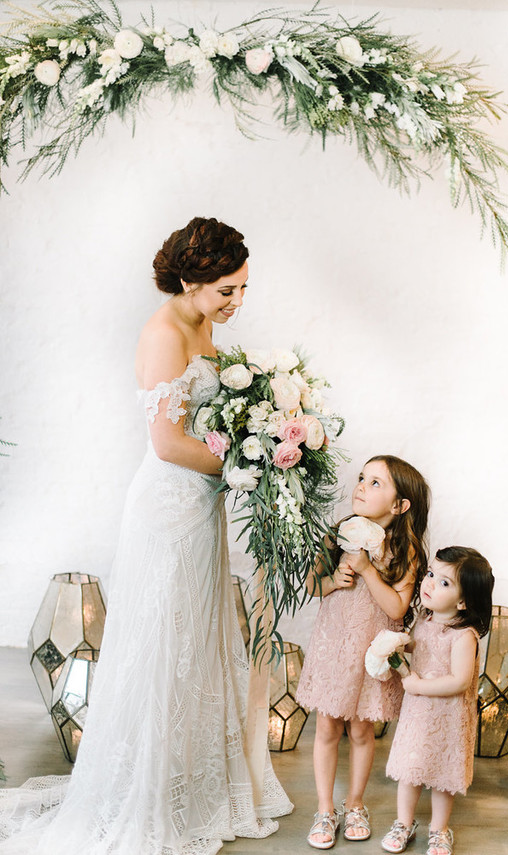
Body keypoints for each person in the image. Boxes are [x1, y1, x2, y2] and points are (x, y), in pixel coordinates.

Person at [0, 217, 292, 855]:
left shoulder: (202, 323)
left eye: (243, 288)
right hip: (167, 511)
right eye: (226, 291)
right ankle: (149, 792)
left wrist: (253, 444)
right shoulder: (163, 333)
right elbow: (166, 442)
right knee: (163, 643)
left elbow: (208, 419)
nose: (237, 301)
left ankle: (194, 780)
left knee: (198, 640)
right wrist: (251, 462)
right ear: (191, 281)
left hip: (202, 507)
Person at [295, 455, 430, 850]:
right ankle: (324, 808)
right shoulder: (337, 534)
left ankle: (355, 803)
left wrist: (369, 570)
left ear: (399, 505)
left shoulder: (406, 550)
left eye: (375, 483)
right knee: (326, 727)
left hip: (370, 651)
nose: (361, 487)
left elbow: (396, 610)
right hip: (335, 646)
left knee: (360, 729)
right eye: (361, 478)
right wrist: (334, 580)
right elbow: (312, 587)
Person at [382, 546, 494, 855]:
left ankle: (439, 829)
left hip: (448, 718)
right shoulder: (424, 619)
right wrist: (396, 648)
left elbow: (459, 680)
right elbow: (419, 650)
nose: (429, 583)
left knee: (443, 778)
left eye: (444, 582)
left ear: (463, 600)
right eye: (430, 574)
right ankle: (404, 822)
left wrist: (417, 684)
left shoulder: (463, 636)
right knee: (411, 770)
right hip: (419, 716)